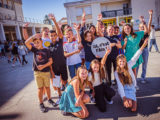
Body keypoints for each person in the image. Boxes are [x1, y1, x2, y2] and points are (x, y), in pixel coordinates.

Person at [25, 33, 57, 113]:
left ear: (42, 42)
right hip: (37, 73)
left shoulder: (46, 50)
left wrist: (43, 66)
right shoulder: (34, 50)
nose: (36, 44)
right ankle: (41, 103)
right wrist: (33, 36)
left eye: (38, 42)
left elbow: (51, 61)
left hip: (46, 72)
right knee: (40, 88)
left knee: (47, 87)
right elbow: (26, 43)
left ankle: (49, 99)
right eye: (35, 43)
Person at [115, 37, 148, 112]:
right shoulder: (116, 72)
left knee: (133, 109)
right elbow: (120, 85)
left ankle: (133, 98)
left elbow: (136, 56)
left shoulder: (129, 65)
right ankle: (128, 99)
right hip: (123, 88)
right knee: (128, 105)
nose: (122, 63)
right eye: (120, 61)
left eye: (123, 61)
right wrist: (124, 98)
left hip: (131, 86)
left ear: (125, 61)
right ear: (117, 62)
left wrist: (143, 45)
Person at [48, 13, 68, 104]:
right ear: (49, 37)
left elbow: (59, 32)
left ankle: (67, 95)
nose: (52, 37)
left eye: (54, 35)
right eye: (51, 36)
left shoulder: (59, 42)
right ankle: (60, 96)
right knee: (57, 83)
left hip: (63, 65)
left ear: (56, 36)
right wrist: (51, 70)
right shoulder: (48, 46)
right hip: (55, 68)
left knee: (65, 81)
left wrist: (54, 20)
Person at [88, 47, 115, 112]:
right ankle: (95, 97)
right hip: (96, 88)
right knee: (103, 109)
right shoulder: (90, 74)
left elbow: (102, 62)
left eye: (97, 67)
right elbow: (89, 84)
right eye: (94, 67)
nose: (96, 69)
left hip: (102, 85)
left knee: (112, 92)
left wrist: (106, 53)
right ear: (91, 67)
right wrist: (93, 90)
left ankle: (107, 98)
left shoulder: (99, 70)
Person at [137, 10, 153, 83]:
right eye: (141, 27)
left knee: (144, 65)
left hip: (145, 50)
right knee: (136, 65)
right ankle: (135, 78)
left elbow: (149, 24)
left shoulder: (147, 33)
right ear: (139, 28)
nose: (142, 28)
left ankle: (143, 78)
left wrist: (150, 16)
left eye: (143, 27)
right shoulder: (137, 34)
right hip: (138, 50)